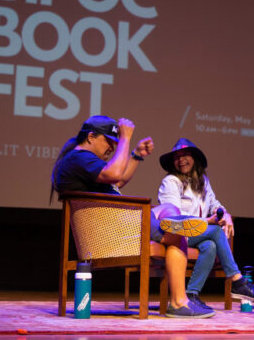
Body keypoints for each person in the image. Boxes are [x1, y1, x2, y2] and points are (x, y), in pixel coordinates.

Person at [51, 116, 213, 318]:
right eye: (110, 142)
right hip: (115, 227)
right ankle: (179, 301)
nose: (112, 148)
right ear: (91, 137)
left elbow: (114, 184)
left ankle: (173, 222)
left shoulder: (81, 161)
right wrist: (126, 138)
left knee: (169, 208)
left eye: (115, 143)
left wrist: (136, 155)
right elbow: (114, 174)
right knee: (176, 236)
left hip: (115, 222)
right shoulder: (80, 157)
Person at [157, 138, 254, 311]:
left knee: (209, 246)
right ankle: (237, 281)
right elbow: (174, 219)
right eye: (177, 157)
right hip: (175, 233)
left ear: (195, 159)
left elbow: (215, 204)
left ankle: (192, 295)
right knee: (216, 231)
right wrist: (207, 221)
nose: (181, 160)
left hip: (193, 234)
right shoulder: (171, 181)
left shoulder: (202, 181)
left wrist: (226, 214)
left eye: (185, 155)